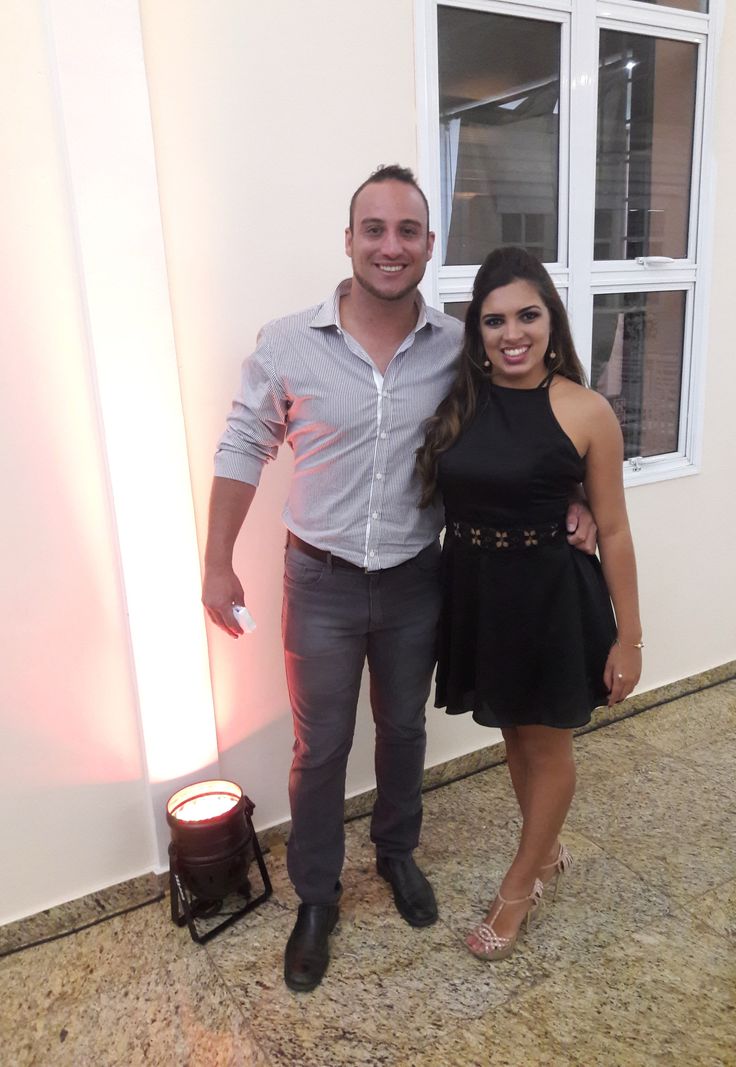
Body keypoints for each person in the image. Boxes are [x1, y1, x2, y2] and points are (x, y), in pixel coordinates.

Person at [202, 166, 597, 992]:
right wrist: (216, 560)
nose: (391, 246)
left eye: (408, 231)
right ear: (349, 240)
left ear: (428, 244)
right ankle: (318, 896)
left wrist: (577, 500)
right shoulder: (287, 343)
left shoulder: (460, 348)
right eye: (374, 230)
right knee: (320, 748)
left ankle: (396, 852)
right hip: (321, 579)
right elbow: (242, 444)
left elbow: (521, 426)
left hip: (419, 576)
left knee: (404, 729)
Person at [416, 245, 642, 961]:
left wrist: (630, 638)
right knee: (515, 735)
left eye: (527, 316)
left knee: (546, 744)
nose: (512, 334)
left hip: (549, 600)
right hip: (480, 594)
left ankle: (519, 886)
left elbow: (614, 529)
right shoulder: (463, 397)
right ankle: (545, 852)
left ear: (552, 321)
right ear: (477, 330)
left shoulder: (586, 409)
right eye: (494, 320)